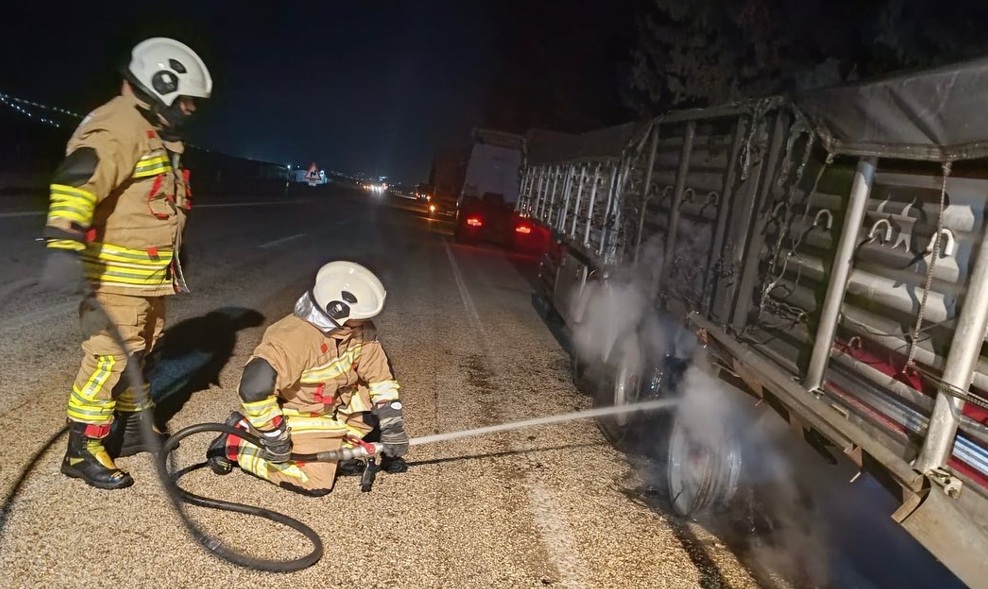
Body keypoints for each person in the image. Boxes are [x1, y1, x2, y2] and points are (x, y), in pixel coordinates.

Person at [39, 37, 213, 490]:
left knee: (144, 351)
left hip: (147, 277)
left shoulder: (152, 131)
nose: (191, 109)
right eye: (187, 99)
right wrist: (63, 240)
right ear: (161, 85)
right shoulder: (120, 125)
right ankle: (82, 450)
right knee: (108, 360)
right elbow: (80, 177)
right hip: (116, 278)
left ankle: (133, 431)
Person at [207, 261, 410, 496]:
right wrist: (275, 438)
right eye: (360, 317)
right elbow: (254, 389)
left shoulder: (357, 331)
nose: (365, 323)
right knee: (316, 482)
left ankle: (340, 449)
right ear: (337, 311)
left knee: (373, 405)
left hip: (334, 404)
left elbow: (381, 378)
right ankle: (237, 442)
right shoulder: (293, 339)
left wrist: (392, 425)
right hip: (299, 412)